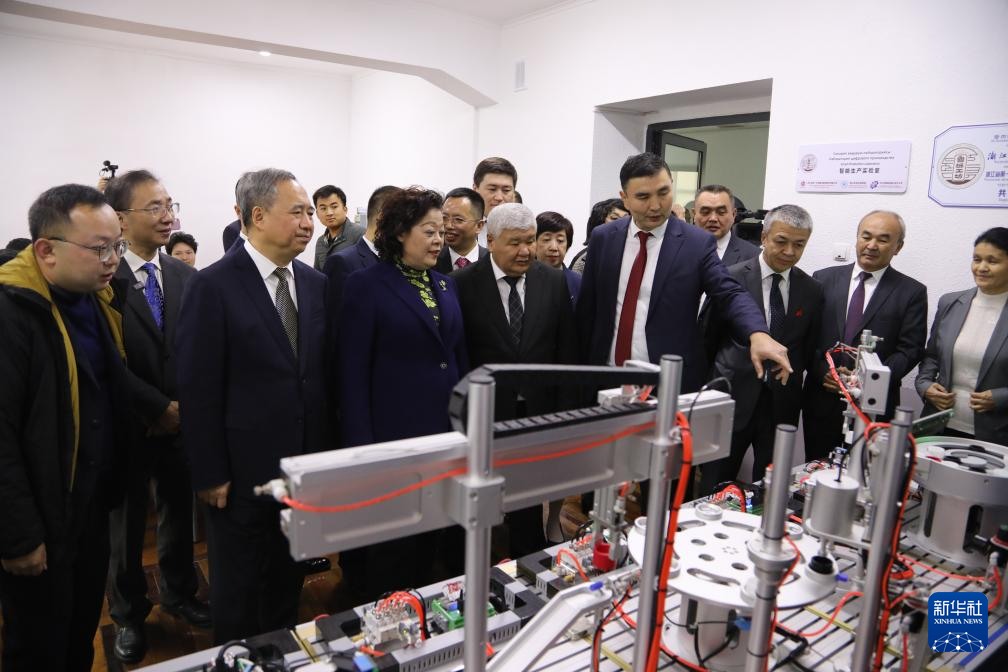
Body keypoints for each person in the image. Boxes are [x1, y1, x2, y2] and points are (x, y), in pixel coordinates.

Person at [175, 168, 331, 644]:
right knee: (239, 594)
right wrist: (209, 472)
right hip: (240, 473)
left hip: (301, 469)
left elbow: (315, 376)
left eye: (310, 213)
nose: (308, 223)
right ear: (257, 216)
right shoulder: (213, 285)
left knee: (286, 584)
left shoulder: (315, 283)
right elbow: (198, 387)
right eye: (298, 212)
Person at [0, 184, 131, 672]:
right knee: (38, 646)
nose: (112, 259)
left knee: (79, 631)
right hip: (40, 516)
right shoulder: (13, 312)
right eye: (99, 249)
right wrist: (17, 535)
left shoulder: (94, 300)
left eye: (117, 245)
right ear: (46, 250)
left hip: (89, 505)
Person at [338, 187, 467, 600]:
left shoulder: (445, 285)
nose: (438, 240)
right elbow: (352, 372)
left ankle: (421, 610)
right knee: (390, 545)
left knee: (430, 534)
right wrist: (363, 448)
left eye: (441, 232)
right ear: (399, 233)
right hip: (391, 438)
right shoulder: (365, 285)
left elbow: (456, 359)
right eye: (429, 231)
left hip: (442, 434)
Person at [575, 153, 790, 394]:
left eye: (664, 193)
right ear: (624, 198)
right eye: (643, 197)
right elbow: (587, 308)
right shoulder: (604, 237)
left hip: (666, 381)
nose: (656, 206)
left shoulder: (696, 243)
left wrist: (757, 332)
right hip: (606, 375)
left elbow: (729, 293)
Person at [102, 171, 206, 663]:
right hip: (127, 423)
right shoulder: (104, 279)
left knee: (177, 511)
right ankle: (127, 614)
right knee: (124, 527)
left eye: (170, 205)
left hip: (181, 422)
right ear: (121, 219)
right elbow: (104, 361)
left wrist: (181, 408)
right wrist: (156, 406)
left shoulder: (185, 277)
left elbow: (197, 348)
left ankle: (179, 593)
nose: (168, 216)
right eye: (155, 207)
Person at [454, 203, 577, 558]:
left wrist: (566, 412)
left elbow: (566, 350)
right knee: (479, 499)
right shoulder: (461, 284)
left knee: (528, 495)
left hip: (537, 411)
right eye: (515, 243)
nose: (526, 250)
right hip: (484, 414)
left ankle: (528, 560)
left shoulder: (552, 280)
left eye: (530, 240)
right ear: (491, 241)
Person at [699, 205, 823, 493]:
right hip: (731, 398)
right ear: (764, 237)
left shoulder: (812, 290)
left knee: (772, 488)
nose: (789, 251)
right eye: (781, 241)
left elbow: (808, 348)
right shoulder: (730, 278)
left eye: (799, 244)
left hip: (781, 405)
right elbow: (707, 339)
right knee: (715, 484)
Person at [802, 210, 927, 460]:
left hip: (874, 407)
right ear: (857, 238)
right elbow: (807, 336)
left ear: (898, 247)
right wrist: (821, 371)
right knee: (816, 470)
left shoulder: (911, 292)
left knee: (865, 474)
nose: (871, 245)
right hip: (822, 400)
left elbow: (910, 350)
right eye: (866, 236)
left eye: (883, 239)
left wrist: (870, 378)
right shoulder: (823, 279)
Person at [916, 227, 1008, 444]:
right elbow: (932, 356)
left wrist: (1001, 397)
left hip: (996, 433)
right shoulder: (950, 303)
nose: (981, 268)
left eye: (993, 261)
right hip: (938, 425)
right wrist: (925, 385)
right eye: (977, 259)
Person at [322, 185, 401, 325]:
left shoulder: (400, 260)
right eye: (404, 220)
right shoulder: (343, 263)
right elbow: (336, 325)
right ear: (383, 218)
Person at [693, 185, 759, 266]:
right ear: (694, 214)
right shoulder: (680, 249)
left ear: (733, 214)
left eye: (721, 212)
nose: (713, 219)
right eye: (706, 212)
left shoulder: (755, 257)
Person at [434, 187, 488, 274]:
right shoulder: (431, 260)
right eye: (444, 218)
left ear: (479, 226)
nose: (448, 225)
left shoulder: (493, 261)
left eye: (458, 219)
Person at [569, 198, 628, 274]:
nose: (623, 223)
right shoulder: (584, 260)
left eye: (626, 219)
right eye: (615, 218)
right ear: (599, 223)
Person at [312, 185, 364, 270]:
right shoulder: (321, 242)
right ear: (317, 214)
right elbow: (317, 274)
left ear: (345, 209)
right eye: (323, 208)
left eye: (334, 207)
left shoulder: (360, 234)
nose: (329, 213)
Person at [535, 210, 581, 303]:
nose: (554, 248)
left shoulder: (578, 283)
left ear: (568, 246)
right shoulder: (522, 279)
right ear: (533, 242)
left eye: (560, 241)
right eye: (546, 239)